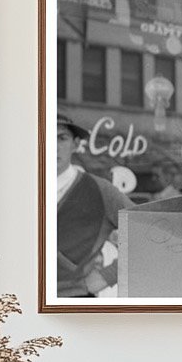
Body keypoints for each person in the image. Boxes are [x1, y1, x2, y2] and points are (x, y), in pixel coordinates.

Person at [56, 112, 133, 297]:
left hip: (73, 301)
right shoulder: (14, 189)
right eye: (42, 137)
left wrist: (106, 277)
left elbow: (150, 237)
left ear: (75, 144)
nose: (52, 146)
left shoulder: (100, 190)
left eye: (61, 138)